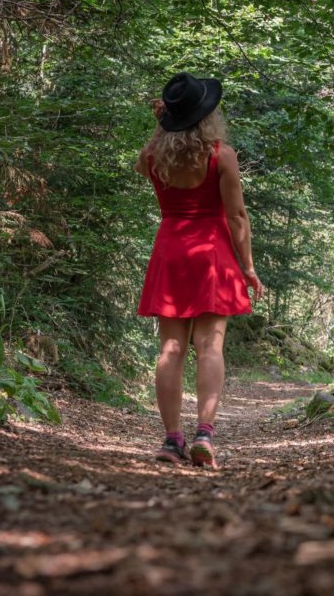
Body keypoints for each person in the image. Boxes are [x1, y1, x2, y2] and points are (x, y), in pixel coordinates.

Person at [135, 72, 263, 468]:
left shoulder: (153, 155)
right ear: (207, 115)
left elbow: (144, 165)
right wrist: (249, 268)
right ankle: (204, 434)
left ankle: (172, 441)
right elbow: (237, 217)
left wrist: (161, 128)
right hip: (212, 254)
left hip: (171, 251)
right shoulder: (221, 156)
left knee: (170, 349)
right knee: (210, 347)